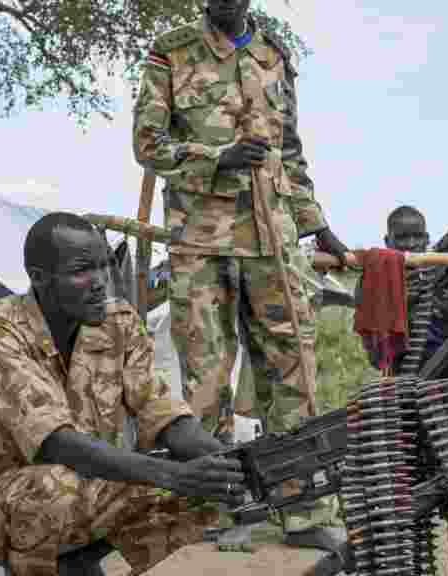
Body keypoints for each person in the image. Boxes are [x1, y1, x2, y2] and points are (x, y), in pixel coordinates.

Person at [132, 0, 349, 551]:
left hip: (272, 242)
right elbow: (147, 144)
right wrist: (217, 157)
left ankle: (300, 509)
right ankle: (222, 507)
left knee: (291, 373)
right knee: (206, 377)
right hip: (200, 241)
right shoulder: (171, 52)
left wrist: (315, 224)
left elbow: (290, 154)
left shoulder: (274, 56)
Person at [0, 212, 245, 576]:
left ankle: (78, 564)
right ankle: (44, 566)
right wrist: (172, 475)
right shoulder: (3, 330)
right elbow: (56, 443)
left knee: (198, 485)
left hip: (90, 481)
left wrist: (230, 462)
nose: (100, 282)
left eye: (104, 266)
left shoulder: (118, 323)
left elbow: (161, 410)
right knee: (63, 485)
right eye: (81, 271)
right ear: (39, 278)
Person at [356, 205, 448, 379]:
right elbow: (376, 359)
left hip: (445, 365)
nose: (410, 244)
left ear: (426, 239)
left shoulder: (444, 273)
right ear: (387, 241)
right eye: (402, 238)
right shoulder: (374, 281)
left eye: (417, 236)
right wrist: (404, 306)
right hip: (404, 376)